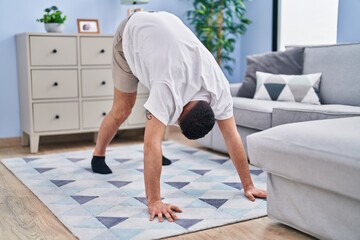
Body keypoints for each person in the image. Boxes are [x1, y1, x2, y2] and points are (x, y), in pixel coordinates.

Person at [91, 11, 267, 223]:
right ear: (179, 110)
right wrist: (154, 201)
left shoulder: (218, 87)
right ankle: (98, 155)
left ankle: (155, 158)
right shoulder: (168, 88)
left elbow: (232, 136)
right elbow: (150, 144)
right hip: (130, 34)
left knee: (158, 117)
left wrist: (248, 185)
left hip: (162, 33)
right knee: (123, 109)